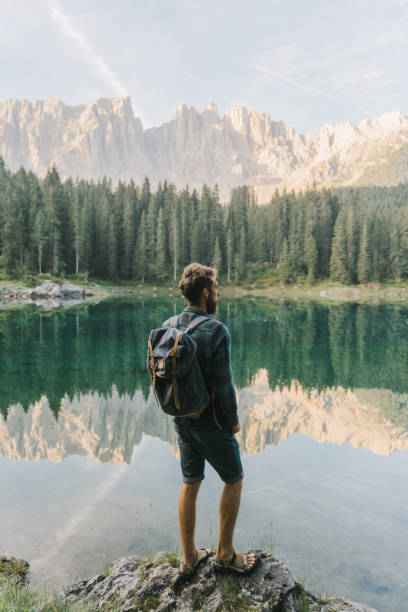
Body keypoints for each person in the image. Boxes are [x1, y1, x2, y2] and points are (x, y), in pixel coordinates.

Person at [162, 263, 258, 577]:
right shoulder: (217, 331)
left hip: (181, 419)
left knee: (190, 482)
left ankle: (190, 557)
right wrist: (231, 423)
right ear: (205, 292)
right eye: (216, 288)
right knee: (234, 478)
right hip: (211, 422)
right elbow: (224, 386)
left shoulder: (168, 325)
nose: (218, 293)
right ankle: (225, 554)